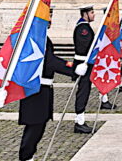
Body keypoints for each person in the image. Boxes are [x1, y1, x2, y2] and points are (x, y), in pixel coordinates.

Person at [18, 12, 83, 161]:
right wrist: (72, 69)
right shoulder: (36, 38)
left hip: (42, 89)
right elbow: (50, 61)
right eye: (48, 16)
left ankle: (29, 156)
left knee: (38, 125)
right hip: (36, 89)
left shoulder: (41, 38)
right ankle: (26, 157)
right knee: (34, 126)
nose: (50, 20)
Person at [73, 5, 114, 135]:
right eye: (91, 12)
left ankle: (81, 119)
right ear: (85, 14)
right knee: (83, 92)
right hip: (83, 64)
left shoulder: (85, 27)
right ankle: (79, 122)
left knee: (86, 90)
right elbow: (86, 46)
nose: (94, 15)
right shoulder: (82, 28)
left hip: (87, 63)